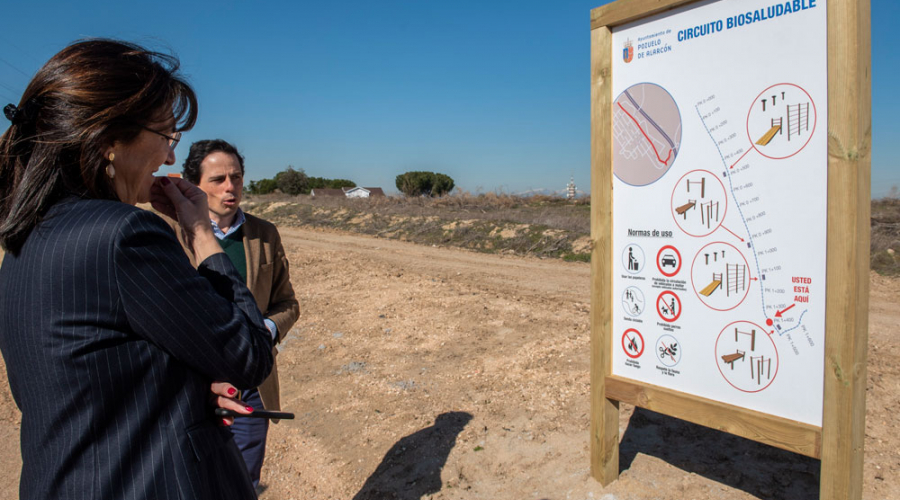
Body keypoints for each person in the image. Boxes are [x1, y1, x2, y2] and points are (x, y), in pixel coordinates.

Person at [0, 39, 273, 500]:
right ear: (109, 140)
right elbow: (249, 356)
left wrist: (185, 390)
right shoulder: (125, 234)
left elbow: (90, 381)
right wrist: (202, 236)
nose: (169, 158)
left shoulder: (24, 243)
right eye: (166, 136)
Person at [179, 139, 300, 490]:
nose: (230, 187)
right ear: (194, 184)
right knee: (191, 482)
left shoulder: (264, 235)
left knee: (244, 481)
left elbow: (288, 304)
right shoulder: (168, 234)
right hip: (189, 389)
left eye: (236, 177)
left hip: (249, 387)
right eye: (218, 179)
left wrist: (263, 333)